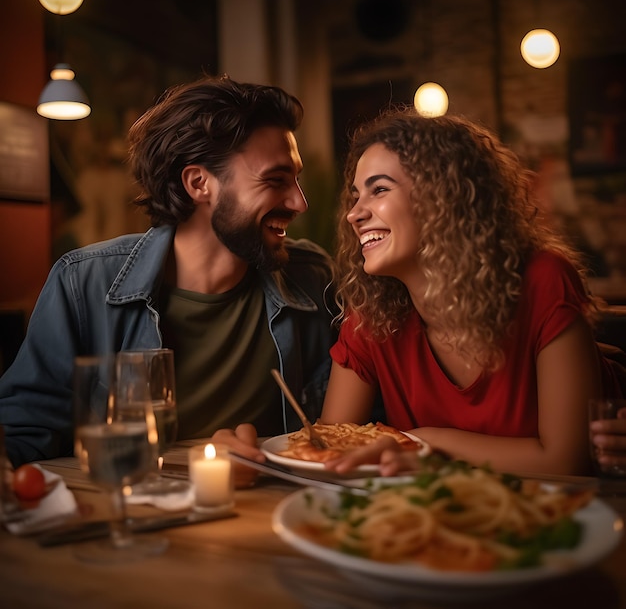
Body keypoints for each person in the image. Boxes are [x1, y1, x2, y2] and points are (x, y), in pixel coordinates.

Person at [0, 76, 336, 472]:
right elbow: (21, 438)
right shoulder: (83, 284)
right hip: (128, 516)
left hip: (279, 520)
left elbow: (351, 428)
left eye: (295, 179)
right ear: (199, 183)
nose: (300, 201)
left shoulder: (314, 278)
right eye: (276, 180)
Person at [318, 107, 626, 477]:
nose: (354, 213)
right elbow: (328, 452)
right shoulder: (372, 314)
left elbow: (564, 462)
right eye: (355, 196)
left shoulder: (542, 280)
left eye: (379, 189)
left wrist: (424, 442)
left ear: (442, 198)